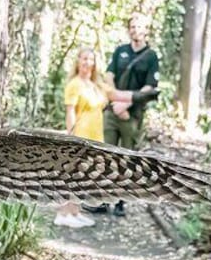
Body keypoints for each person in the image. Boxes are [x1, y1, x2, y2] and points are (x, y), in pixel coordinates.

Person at [54, 47, 158, 228]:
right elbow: (70, 113)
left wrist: (144, 95)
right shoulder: (74, 84)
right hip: (80, 134)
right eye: (84, 59)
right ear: (78, 61)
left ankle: (75, 212)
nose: (87, 63)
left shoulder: (97, 85)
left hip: (95, 135)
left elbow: (118, 95)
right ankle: (62, 214)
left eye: (91, 59)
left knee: (83, 177)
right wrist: (71, 135)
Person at [103, 12, 161, 216]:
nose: (135, 29)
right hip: (112, 112)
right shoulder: (120, 51)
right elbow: (109, 76)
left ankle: (120, 201)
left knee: (126, 159)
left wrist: (126, 104)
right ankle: (102, 199)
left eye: (139, 26)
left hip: (132, 115)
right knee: (105, 155)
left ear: (146, 30)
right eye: (132, 26)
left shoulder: (151, 56)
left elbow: (150, 88)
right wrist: (115, 100)